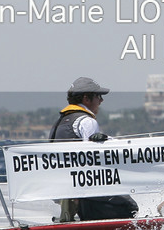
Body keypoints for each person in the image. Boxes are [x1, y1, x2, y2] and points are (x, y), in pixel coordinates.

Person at [51, 76, 137, 221]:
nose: (101, 101)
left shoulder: (60, 121)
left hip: (63, 187)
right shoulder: (86, 121)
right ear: (86, 99)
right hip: (84, 189)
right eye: (98, 96)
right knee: (130, 207)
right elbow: (95, 159)